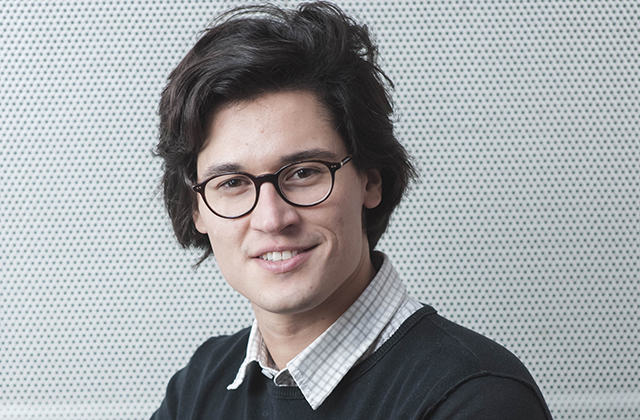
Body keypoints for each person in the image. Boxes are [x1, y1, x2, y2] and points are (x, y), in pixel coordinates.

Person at [151, 2, 552, 418]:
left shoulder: (475, 399)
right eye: (232, 183)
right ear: (196, 208)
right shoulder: (200, 386)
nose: (272, 219)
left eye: (304, 173)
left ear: (370, 180)